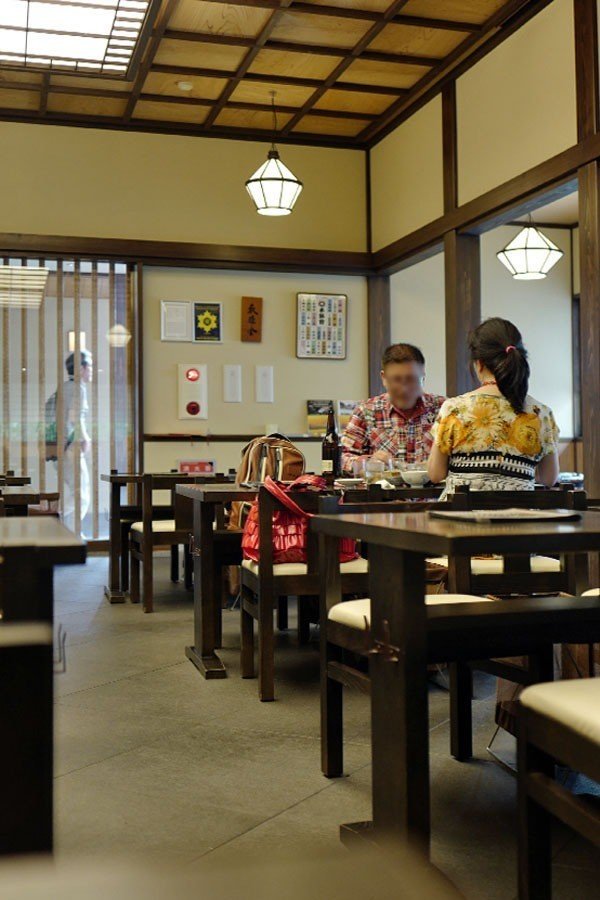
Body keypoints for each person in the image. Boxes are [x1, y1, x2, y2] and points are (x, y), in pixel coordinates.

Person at [427, 318, 559, 494]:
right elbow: (549, 479)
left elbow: (435, 474)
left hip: (460, 518)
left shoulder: (454, 408)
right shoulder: (541, 413)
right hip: (522, 518)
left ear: (479, 363)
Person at [340, 343, 446, 474]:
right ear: (384, 378)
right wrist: (368, 462)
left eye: (411, 379)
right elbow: (342, 459)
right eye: (396, 379)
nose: (404, 388)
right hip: (384, 493)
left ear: (423, 375)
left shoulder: (444, 409)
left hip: (435, 493)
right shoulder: (366, 411)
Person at [47, 350, 93, 534]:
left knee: (77, 492)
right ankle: (70, 531)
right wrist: (85, 438)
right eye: (90, 366)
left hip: (60, 447)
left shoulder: (65, 387)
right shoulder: (76, 388)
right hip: (69, 447)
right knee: (81, 493)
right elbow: (75, 418)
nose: (91, 370)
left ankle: (60, 526)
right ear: (81, 368)